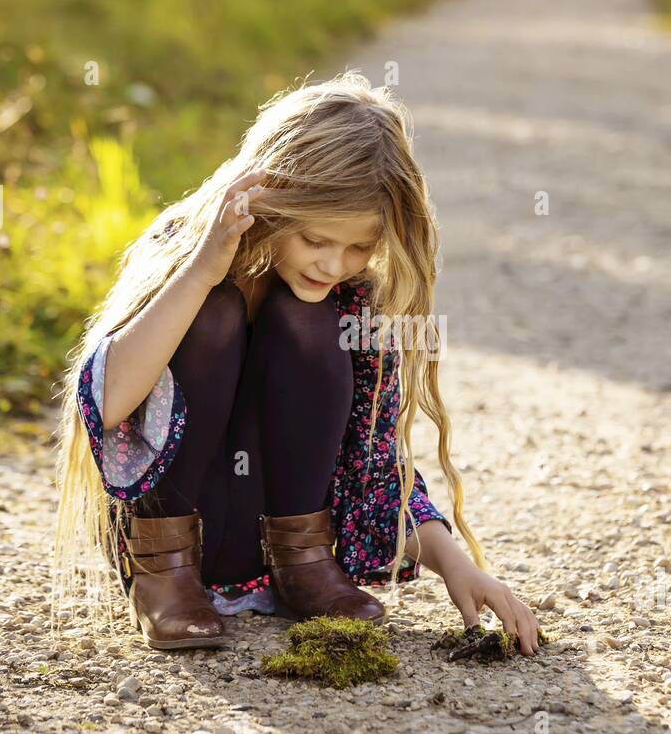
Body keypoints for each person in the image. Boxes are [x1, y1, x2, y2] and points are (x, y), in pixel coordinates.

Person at [51, 70, 539, 655]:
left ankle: (303, 566)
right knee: (216, 311)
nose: (335, 263)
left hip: (282, 540)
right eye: (315, 240)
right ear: (272, 202)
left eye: (359, 246)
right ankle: (163, 574)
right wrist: (204, 268)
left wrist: (458, 566)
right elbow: (103, 407)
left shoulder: (349, 299)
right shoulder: (189, 248)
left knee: (311, 322)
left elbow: (374, 466)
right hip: (171, 535)